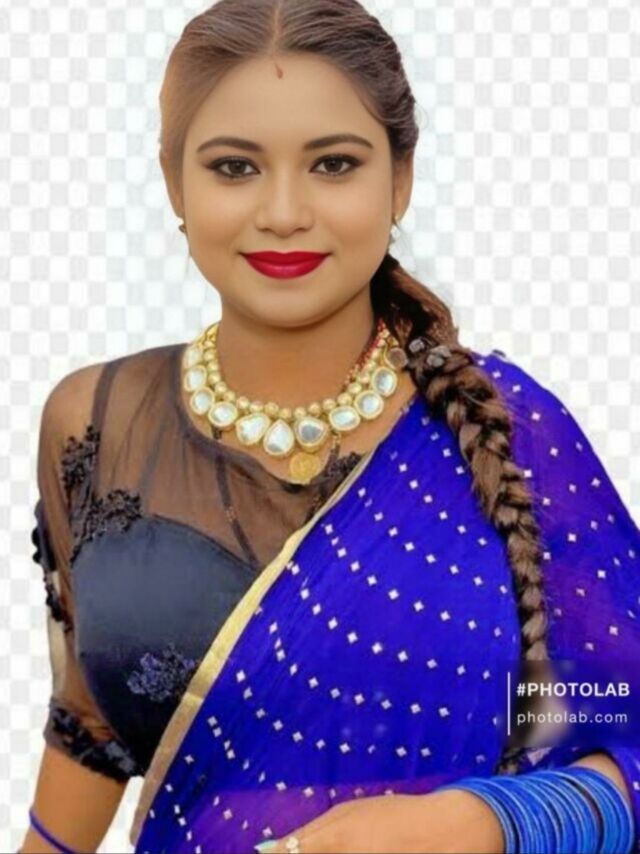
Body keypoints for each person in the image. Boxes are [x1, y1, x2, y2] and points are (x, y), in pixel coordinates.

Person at [22, 1, 639, 852]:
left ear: (400, 181)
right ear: (174, 186)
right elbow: (92, 724)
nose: (283, 211)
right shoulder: (96, 422)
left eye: (334, 164)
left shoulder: (510, 430)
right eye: (235, 167)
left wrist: (477, 824)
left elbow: (625, 734)